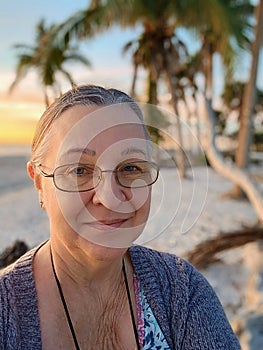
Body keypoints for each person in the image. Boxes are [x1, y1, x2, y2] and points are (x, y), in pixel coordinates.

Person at [0, 85, 240, 350]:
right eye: (80, 170)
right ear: (38, 182)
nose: (109, 197)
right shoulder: (5, 312)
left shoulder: (181, 292)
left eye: (129, 168)